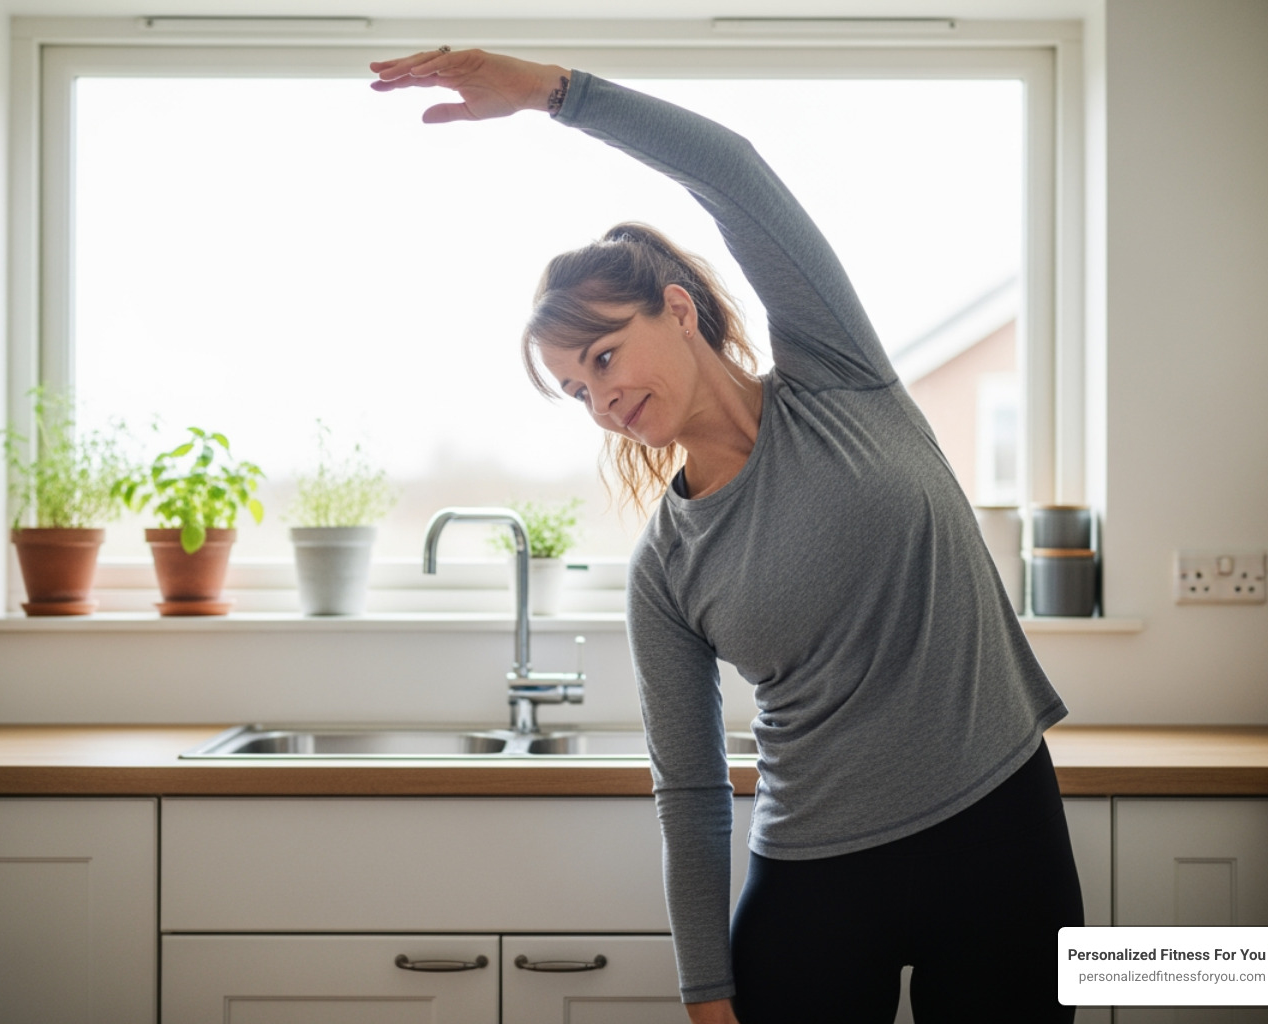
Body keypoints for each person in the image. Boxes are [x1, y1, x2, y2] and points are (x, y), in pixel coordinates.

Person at [372, 48, 1084, 1024]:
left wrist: (553, 93)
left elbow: (734, 171)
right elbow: (693, 789)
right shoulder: (665, 567)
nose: (601, 395)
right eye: (577, 389)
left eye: (606, 353)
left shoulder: (841, 377)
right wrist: (704, 988)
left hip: (1000, 831)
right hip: (818, 880)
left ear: (676, 309)